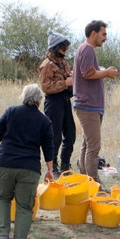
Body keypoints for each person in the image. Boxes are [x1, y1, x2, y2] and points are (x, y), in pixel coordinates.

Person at [0, 84, 54, 239]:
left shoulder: (10, 112)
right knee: (24, 206)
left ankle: (2, 232)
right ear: (39, 101)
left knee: (2, 197)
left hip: (4, 164)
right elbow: (48, 147)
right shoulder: (44, 121)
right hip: (29, 169)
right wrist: (50, 170)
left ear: (23, 97)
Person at [73, 20, 118, 184]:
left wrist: (104, 72)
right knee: (93, 146)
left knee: (87, 144)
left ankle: (87, 182)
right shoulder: (87, 49)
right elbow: (88, 73)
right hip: (88, 105)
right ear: (94, 34)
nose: (105, 38)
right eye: (103, 34)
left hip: (89, 105)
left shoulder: (84, 49)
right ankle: (94, 184)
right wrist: (106, 73)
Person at [38, 30, 74, 176]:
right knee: (55, 137)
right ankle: (53, 168)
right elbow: (46, 86)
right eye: (63, 47)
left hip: (65, 100)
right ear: (56, 48)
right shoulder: (46, 65)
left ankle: (66, 165)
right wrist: (65, 83)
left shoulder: (63, 63)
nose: (65, 50)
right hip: (54, 102)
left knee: (70, 134)